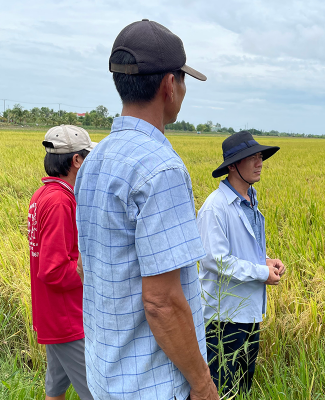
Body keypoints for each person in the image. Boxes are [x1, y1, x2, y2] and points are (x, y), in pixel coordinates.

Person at [74, 20, 218, 400]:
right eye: (183, 81)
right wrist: (202, 385)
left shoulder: (94, 159)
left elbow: (90, 263)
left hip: (106, 373)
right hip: (150, 384)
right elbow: (162, 302)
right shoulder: (162, 169)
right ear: (169, 85)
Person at [197, 131, 285, 396]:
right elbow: (216, 260)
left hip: (248, 314)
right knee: (223, 388)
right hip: (224, 317)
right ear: (233, 165)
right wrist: (261, 272)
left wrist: (267, 261)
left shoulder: (251, 200)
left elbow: (244, 249)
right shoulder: (216, 207)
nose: (259, 163)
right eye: (252, 158)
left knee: (243, 387)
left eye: (260, 157)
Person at [27, 124, 96, 400]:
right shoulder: (59, 201)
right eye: (87, 157)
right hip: (68, 320)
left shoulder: (42, 194)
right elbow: (53, 269)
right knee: (97, 392)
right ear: (76, 161)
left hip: (52, 315)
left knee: (55, 389)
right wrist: (91, 269)